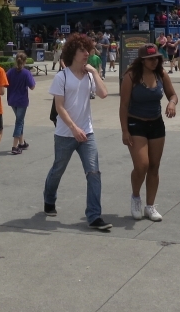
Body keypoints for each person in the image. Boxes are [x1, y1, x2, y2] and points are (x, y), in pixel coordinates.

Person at [43, 33, 112, 231]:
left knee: (93, 172)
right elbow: (59, 107)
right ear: (73, 52)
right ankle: (49, 198)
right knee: (58, 169)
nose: (86, 53)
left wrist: (95, 72)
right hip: (65, 133)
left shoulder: (89, 75)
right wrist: (73, 128)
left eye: (87, 50)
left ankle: (94, 216)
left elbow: (104, 94)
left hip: (87, 132)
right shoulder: (62, 77)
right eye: (82, 50)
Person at [119, 45, 177, 222]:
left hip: (156, 124)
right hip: (136, 123)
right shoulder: (131, 76)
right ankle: (136, 197)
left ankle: (150, 206)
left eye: (157, 58)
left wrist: (172, 103)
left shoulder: (161, 74)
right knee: (142, 165)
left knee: (154, 166)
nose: (154, 62)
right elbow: (123, 105)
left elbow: (173, 95)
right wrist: (125, 130)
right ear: (142, 60)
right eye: (150, 59)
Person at [6, 51, 36, 154]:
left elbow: (5, 83)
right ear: (25, 61)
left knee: (20, 120)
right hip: (22, 101)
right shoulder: (26, 73)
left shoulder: (10, 72)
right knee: (19, 122)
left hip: (12, 99)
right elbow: (32, 86)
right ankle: (14, 146)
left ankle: (21, 142)